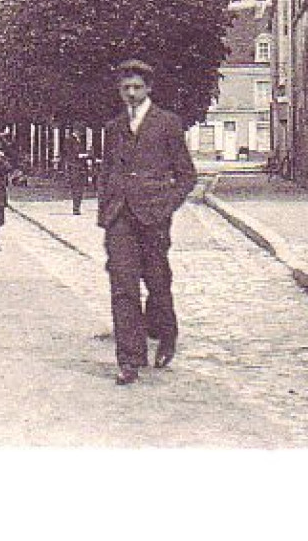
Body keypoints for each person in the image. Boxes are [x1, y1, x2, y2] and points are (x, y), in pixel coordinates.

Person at [98, 60, 199, 385]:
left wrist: (165, 207)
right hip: (120, 218)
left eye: (137, 87)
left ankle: (166, 334)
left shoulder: (167, 124)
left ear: (149, 89)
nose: (130, 93)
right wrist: (106, 209)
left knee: (157, 283)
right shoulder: (113, 128)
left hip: (153, 218)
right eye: (125, 87)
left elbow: (186, 175)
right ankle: (130, 359)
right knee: (122, 287)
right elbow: (107, 171)